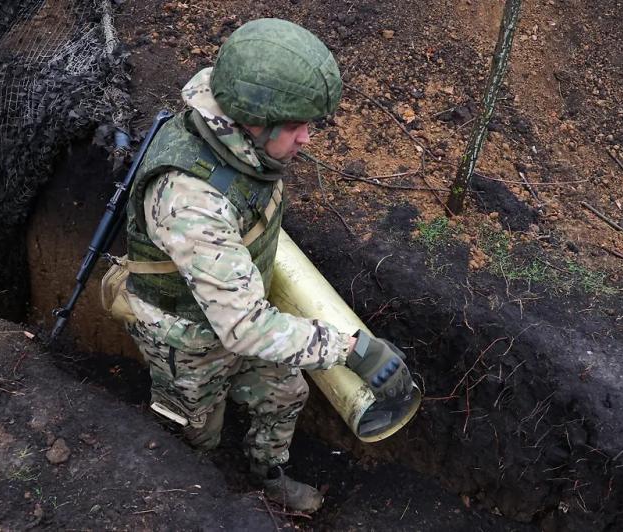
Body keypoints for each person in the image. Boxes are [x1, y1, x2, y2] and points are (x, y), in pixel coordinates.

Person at [121, 18, 412, 513]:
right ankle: (206, 496)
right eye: (297, 127)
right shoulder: (192, 203)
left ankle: (267, 473)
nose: (307, 139)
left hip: (238, 306)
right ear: (257, 121)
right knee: (196, 432)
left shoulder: (240, 137)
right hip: (188, 338)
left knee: (285, 392)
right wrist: (353, 350)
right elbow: (244, 329)